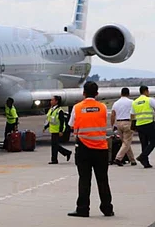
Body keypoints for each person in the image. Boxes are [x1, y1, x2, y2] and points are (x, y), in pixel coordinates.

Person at [67, 81, 114, 218]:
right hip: (101, 148)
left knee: (84, 180)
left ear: (83, 93)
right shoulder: (103, 107)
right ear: (97, 94)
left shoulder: (77, 108)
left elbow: (71, 125)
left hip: (83, 148)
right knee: (103, 180)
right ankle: (107, 208)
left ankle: (83, 209)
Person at [110, 88, 136, 166]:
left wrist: (113, 125)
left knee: (125, 142)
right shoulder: (132, 102)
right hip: (128, 122)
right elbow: (134, 114)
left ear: (121, 94)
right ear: (128, 94)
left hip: (118, 123)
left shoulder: (116, 103)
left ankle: (132, 160)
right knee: (126, 142)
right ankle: (118, 158)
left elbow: (113, 114)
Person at [131, 85, 155, 168]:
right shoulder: (149, 100)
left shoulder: (135, 102)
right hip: (149, 123)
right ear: (146, 91)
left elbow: (132, 115)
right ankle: (143, 156)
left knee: (143, 143)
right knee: (153, 141)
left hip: (139, 125)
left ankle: (145, 163)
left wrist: (133, 126)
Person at [43, 95, 72, 164]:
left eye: (52, 100)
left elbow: (62, 122)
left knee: (54, 145)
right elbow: (50, 119)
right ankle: (67, 153)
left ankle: (54, 160)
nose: (51, 101)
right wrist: (45, 127)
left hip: (57, 130)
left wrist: (61, 131)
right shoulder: (51, 110)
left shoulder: (60, 111)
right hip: (53, 130)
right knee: (55, 145)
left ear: (56, 101)